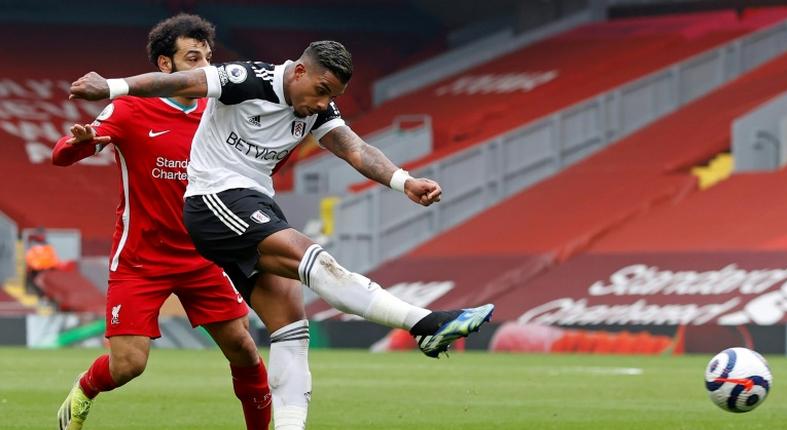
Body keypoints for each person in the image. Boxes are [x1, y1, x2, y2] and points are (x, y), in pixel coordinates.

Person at [69, 39, 495, 423]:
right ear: (298, 72)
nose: (323, 102)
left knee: (292, 327)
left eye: (333, 96)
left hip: (254, 204)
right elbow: (182, 81)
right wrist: (112, 86)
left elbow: (356, 149)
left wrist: (405, 181)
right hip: (213, 200)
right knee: (314, 259)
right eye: (321, 90)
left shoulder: (318, 107)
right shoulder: (246, 78)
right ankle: (424, 322)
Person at [52, 14, 300, 430]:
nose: (205, 68)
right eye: (192, 58)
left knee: (243, 347)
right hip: (140, 257)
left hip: (203, 253)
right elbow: (61, 154)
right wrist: (81, 144)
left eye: (208, 57)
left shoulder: (220, 109)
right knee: (128, 365)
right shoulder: (130, 108)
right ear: (165, 66)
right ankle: (84, 391)